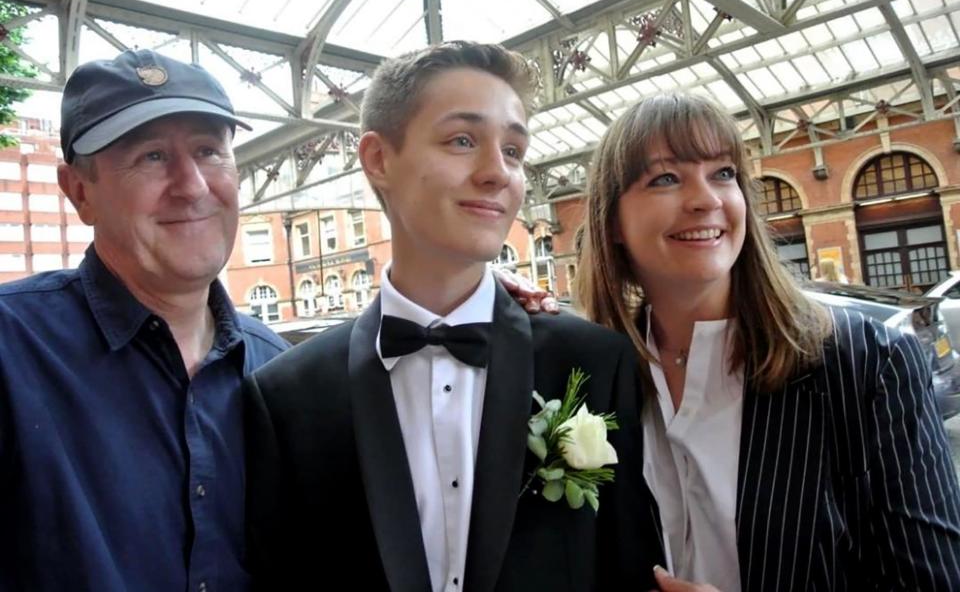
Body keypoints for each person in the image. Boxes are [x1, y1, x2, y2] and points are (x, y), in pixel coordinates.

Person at [243, 41, 663, 591]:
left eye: (513, 150)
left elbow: (627, 570)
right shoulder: (285, 396)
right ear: (379, 159)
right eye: (462, 140)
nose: (498, 173)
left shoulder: (593, 361)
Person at [576, 93, 960, 591]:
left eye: (724, 173)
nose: (706, 199)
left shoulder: (865, 365)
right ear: (612, 223)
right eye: (666, 178)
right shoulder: (593, 378)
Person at [0, 50, 290, 591]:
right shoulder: (10, 350)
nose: (193, 185)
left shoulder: (281, 371)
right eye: (152, 156)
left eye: (209, 151)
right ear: (79, 192)